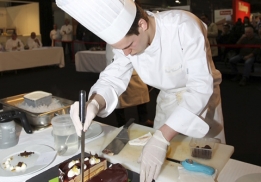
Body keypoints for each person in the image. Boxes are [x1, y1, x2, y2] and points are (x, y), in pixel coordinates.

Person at [57, 0, 225, 181]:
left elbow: (200, 87)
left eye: (129, 46)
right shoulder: (127, 42)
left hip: (203, 104)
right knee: (163, 169)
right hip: (168, 101)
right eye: (121, 49)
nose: (127, 54)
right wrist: (94, 103)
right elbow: (112, 78)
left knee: (206, 166)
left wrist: (162, 137)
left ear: (142, 25)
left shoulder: (183, 26)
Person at [106, 44, 153, 127]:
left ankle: (144, 119)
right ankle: (121, 123)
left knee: (141, 92)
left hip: (134, 67)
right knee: (119, 98)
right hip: (118, 70)